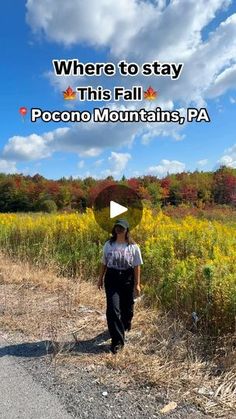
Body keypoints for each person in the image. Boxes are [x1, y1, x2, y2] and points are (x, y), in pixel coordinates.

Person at [97, 218, 143, 354]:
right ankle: (117, 342)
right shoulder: (108, 245)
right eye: (117, 227)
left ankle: (125, 323)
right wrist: (100, 279)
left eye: (121, 228)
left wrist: (137, 284)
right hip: (112, 278)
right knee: (112, 309)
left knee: (127, 308)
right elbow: (104, 263)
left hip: (127, 278)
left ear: (126, 230)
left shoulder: (133, 247)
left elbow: (137, 266)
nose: (119, 229)